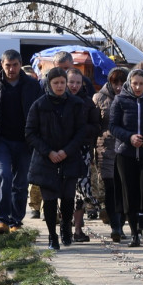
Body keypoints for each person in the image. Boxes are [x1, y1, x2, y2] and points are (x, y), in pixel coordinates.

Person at [26, 68, 89, 250]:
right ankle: (52, 236)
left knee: (68, 198)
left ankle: (66, 228)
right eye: (56, 83)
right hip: (46, 160)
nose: (60, 86)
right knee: (50, 199)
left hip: (69, 158)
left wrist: (66, 151)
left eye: (63, 82)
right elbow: (30, 133)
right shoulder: (39, 105)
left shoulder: (76, 104)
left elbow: (81, 132)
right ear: (49, 84)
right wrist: (49, 152)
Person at [109, 68, 143, 247]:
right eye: (135, 84)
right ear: (129, 84)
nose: (138, 87)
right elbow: (113, 126)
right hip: (126, 154)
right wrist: (129, 137)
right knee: (129, 193)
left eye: (141, 83)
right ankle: (134, 233)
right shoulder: (120, 100)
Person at [0, 49, 42, 233]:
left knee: (21, 183)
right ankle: (1, 219)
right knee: (2, 175)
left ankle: (15, 221)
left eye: (15, 65)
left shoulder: (31, 85)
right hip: (1, 141)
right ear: (2, 65)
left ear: (20, 64)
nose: (11, 69)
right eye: (8, 65)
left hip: (25, 141)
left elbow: (39, 112)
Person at [65, 68, 100, 243]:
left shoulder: (87, 102)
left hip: (83, 151)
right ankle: (65, 228)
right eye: (71, 82)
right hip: (62, 152)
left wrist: (81, 131)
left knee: (81, 191)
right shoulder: (57, 101)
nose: (74, 86)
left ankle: (78, 230)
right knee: (65, 191)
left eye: (78, 83)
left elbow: (97, 126)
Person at [93, 67, 128, 241]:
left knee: (123, 189)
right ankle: (115, 225)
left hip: (125, 149)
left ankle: (121, 223)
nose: (119, 86)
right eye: (116, 83)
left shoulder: (130, 98)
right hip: (105, 149)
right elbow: (94, 124)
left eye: (122, 83)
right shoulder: (99, 98)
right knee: (110, 188)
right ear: (110, 82)